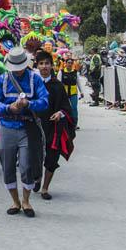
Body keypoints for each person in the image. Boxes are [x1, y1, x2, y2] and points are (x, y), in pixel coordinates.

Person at [0, 46, 48, 218]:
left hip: (27, 127)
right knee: (7, 166)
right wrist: (8, 107)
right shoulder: (2, 79)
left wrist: (28, 104)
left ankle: (26, 201)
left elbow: (44, 101)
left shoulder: (35, 80)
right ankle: (15, 201)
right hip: (7, 127)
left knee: (26, 165)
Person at [34, 50, 74, 200]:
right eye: (41, 63)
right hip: (35, 126)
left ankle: (45, 188)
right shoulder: (32, 84)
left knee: (52, 158)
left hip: (53, 127)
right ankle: (36, 178)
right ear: (37, 65)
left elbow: (66, 107)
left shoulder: (57, 86)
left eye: (47, 63)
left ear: (52, 66)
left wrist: (60, 113)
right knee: (33, 157)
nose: (44, 66)